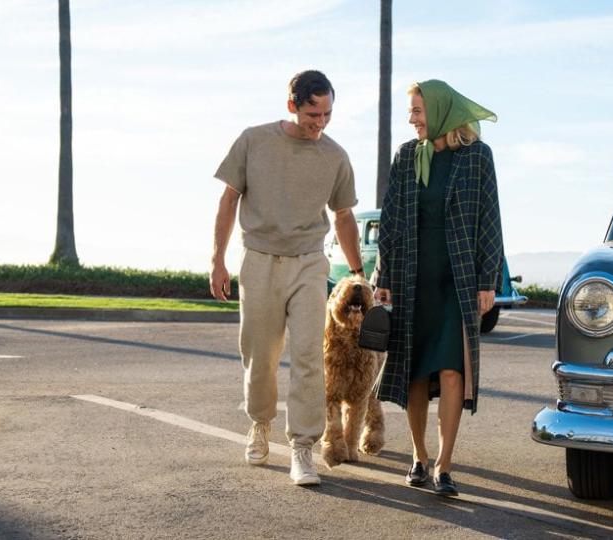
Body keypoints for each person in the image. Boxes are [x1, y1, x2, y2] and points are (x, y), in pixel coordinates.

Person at [210, 70, 364, 486]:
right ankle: (260, 423)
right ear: (292, 105)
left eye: (328, 113)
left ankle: (303, 448)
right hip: (258, 260)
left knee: (310, 357)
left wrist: (357, 271)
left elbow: (344, 216)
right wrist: (217, 261)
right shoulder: (253, 141)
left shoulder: (335, 156)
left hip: (309, 263)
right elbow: (228, 200)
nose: (321, 122)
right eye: (313, 113)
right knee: (260, 356)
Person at [373, 80, 503, 496]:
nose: (411, 120)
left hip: (458, 281)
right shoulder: (407, 156)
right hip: (413, 277)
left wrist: (488, 281)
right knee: (415, 371)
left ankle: (445, 466)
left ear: (442, 110)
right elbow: (391, 221)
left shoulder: (477, 157)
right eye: (410, 112)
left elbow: (490, 220)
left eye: (417, 111)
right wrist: (385, 277)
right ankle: (419, 457)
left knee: (452, 370)